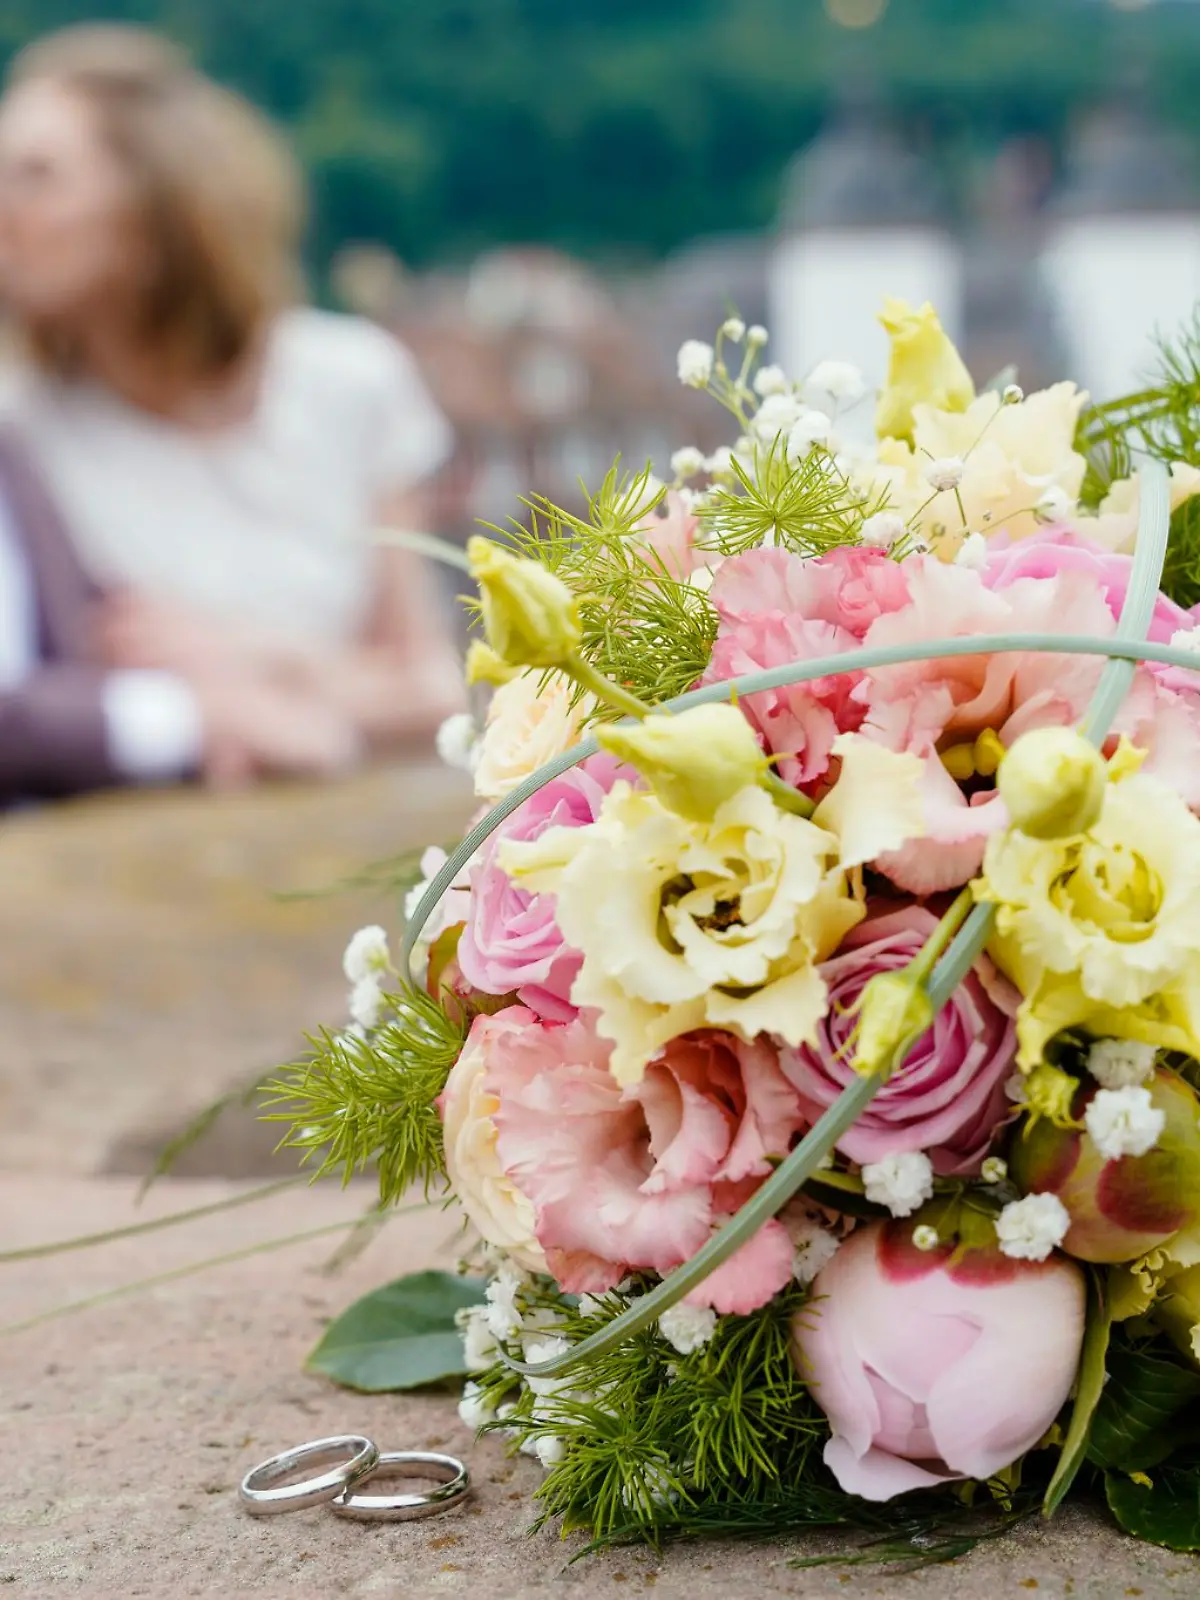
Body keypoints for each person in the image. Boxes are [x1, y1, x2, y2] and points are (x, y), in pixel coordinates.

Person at [0, 25, 464, 786]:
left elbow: (433, 695)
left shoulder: (352, 381)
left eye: (37, 175)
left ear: (156, 206)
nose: (5, 211)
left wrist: (250, 658)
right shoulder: (20, 432)